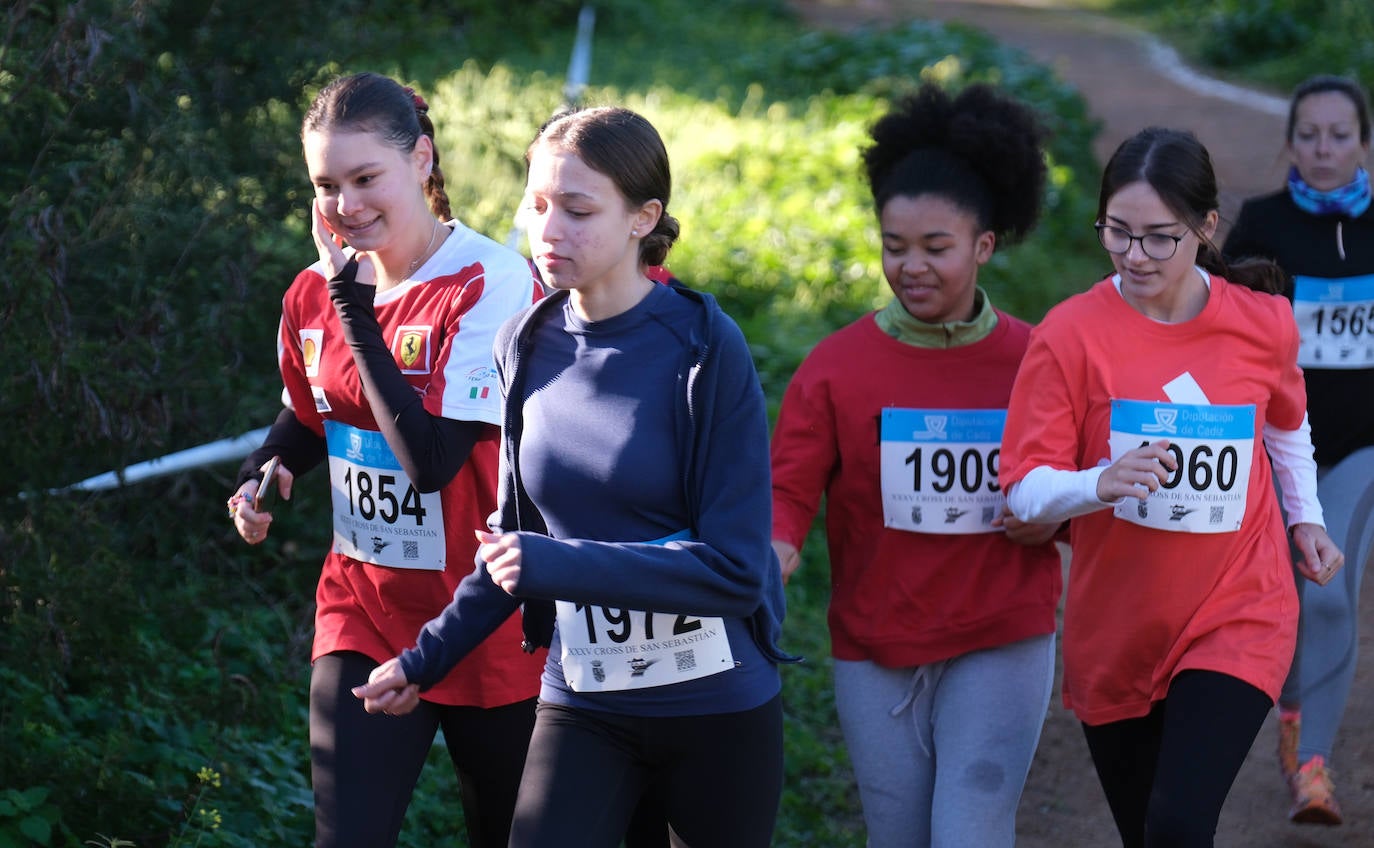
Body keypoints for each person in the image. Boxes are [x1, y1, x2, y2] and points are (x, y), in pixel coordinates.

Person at [354, 105, 793, 848]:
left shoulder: (705, 346)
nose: (548, 230)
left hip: (714, 708)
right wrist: (424, 660)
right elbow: (512, 547)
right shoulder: (523, 342)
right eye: (537, 205)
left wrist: (557, 565)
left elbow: (737, 571)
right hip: (585, 699)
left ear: (643, 218)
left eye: (578, 210)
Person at [999, 126, 1346, 848]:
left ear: (1205, 227)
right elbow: (1024, 490)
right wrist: (1100, 483)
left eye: (1160, 237)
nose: (1135, 255)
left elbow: (1286, 426)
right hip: (1119, 625)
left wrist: (1305, 517)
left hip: (1240, 607)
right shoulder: (1068, 335)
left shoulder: (1262, 323)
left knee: (1179, 822)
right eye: (1117, 233)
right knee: (1148, 835)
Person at [226, 71, 547, 848]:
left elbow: (432, 461)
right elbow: (312, 415)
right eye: (326, 185)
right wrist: (264, 470)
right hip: (364, 608)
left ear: (422, 159)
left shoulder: (490, 282)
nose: (346, 204)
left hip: (485, 613)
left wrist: (356, 310)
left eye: (366, 178)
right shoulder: (313, 291)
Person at [768, 82, 1063, 847]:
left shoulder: (1038, 360)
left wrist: (1055, 522)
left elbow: (1077, 483)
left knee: (969, 834)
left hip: (1002, 633)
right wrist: (773, 553)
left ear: (984, 246)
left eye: (936, 248)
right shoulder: (836, 368)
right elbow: (787, 491)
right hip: (877, 645)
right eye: (894, 247)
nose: (912, 267)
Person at [1221, 74, 1374, 827]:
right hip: (1280, 449)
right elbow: (1222, 329)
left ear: (1364, 143)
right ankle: (1291, 715)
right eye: (1308, 135)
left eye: (1339, 135)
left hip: (1364, 449)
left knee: (1329, 592)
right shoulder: (1261, 224)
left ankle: (1312, 766)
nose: (1323, 149)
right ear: (1289, 142)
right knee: (1280, 601)